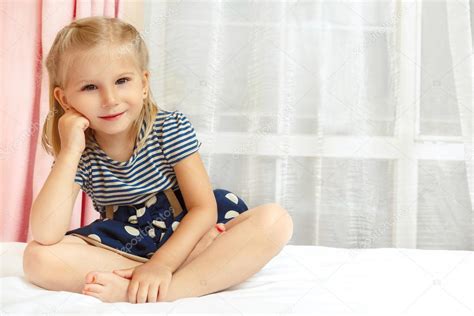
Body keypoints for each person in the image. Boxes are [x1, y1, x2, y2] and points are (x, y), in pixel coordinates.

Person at [23, 16, 293, 304]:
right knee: (37, 258)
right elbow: (45, 232)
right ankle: (165, 277)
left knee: (275, 220)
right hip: (127, 244)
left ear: (143, 83)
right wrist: (69, 152)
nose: (110, 98)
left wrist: (162, 265)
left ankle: (163, 288)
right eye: (90, 87)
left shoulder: (169, 128)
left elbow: (203, 208)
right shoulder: (81, 151)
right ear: (65, 100)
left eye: (122, 81)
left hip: (187, 230)